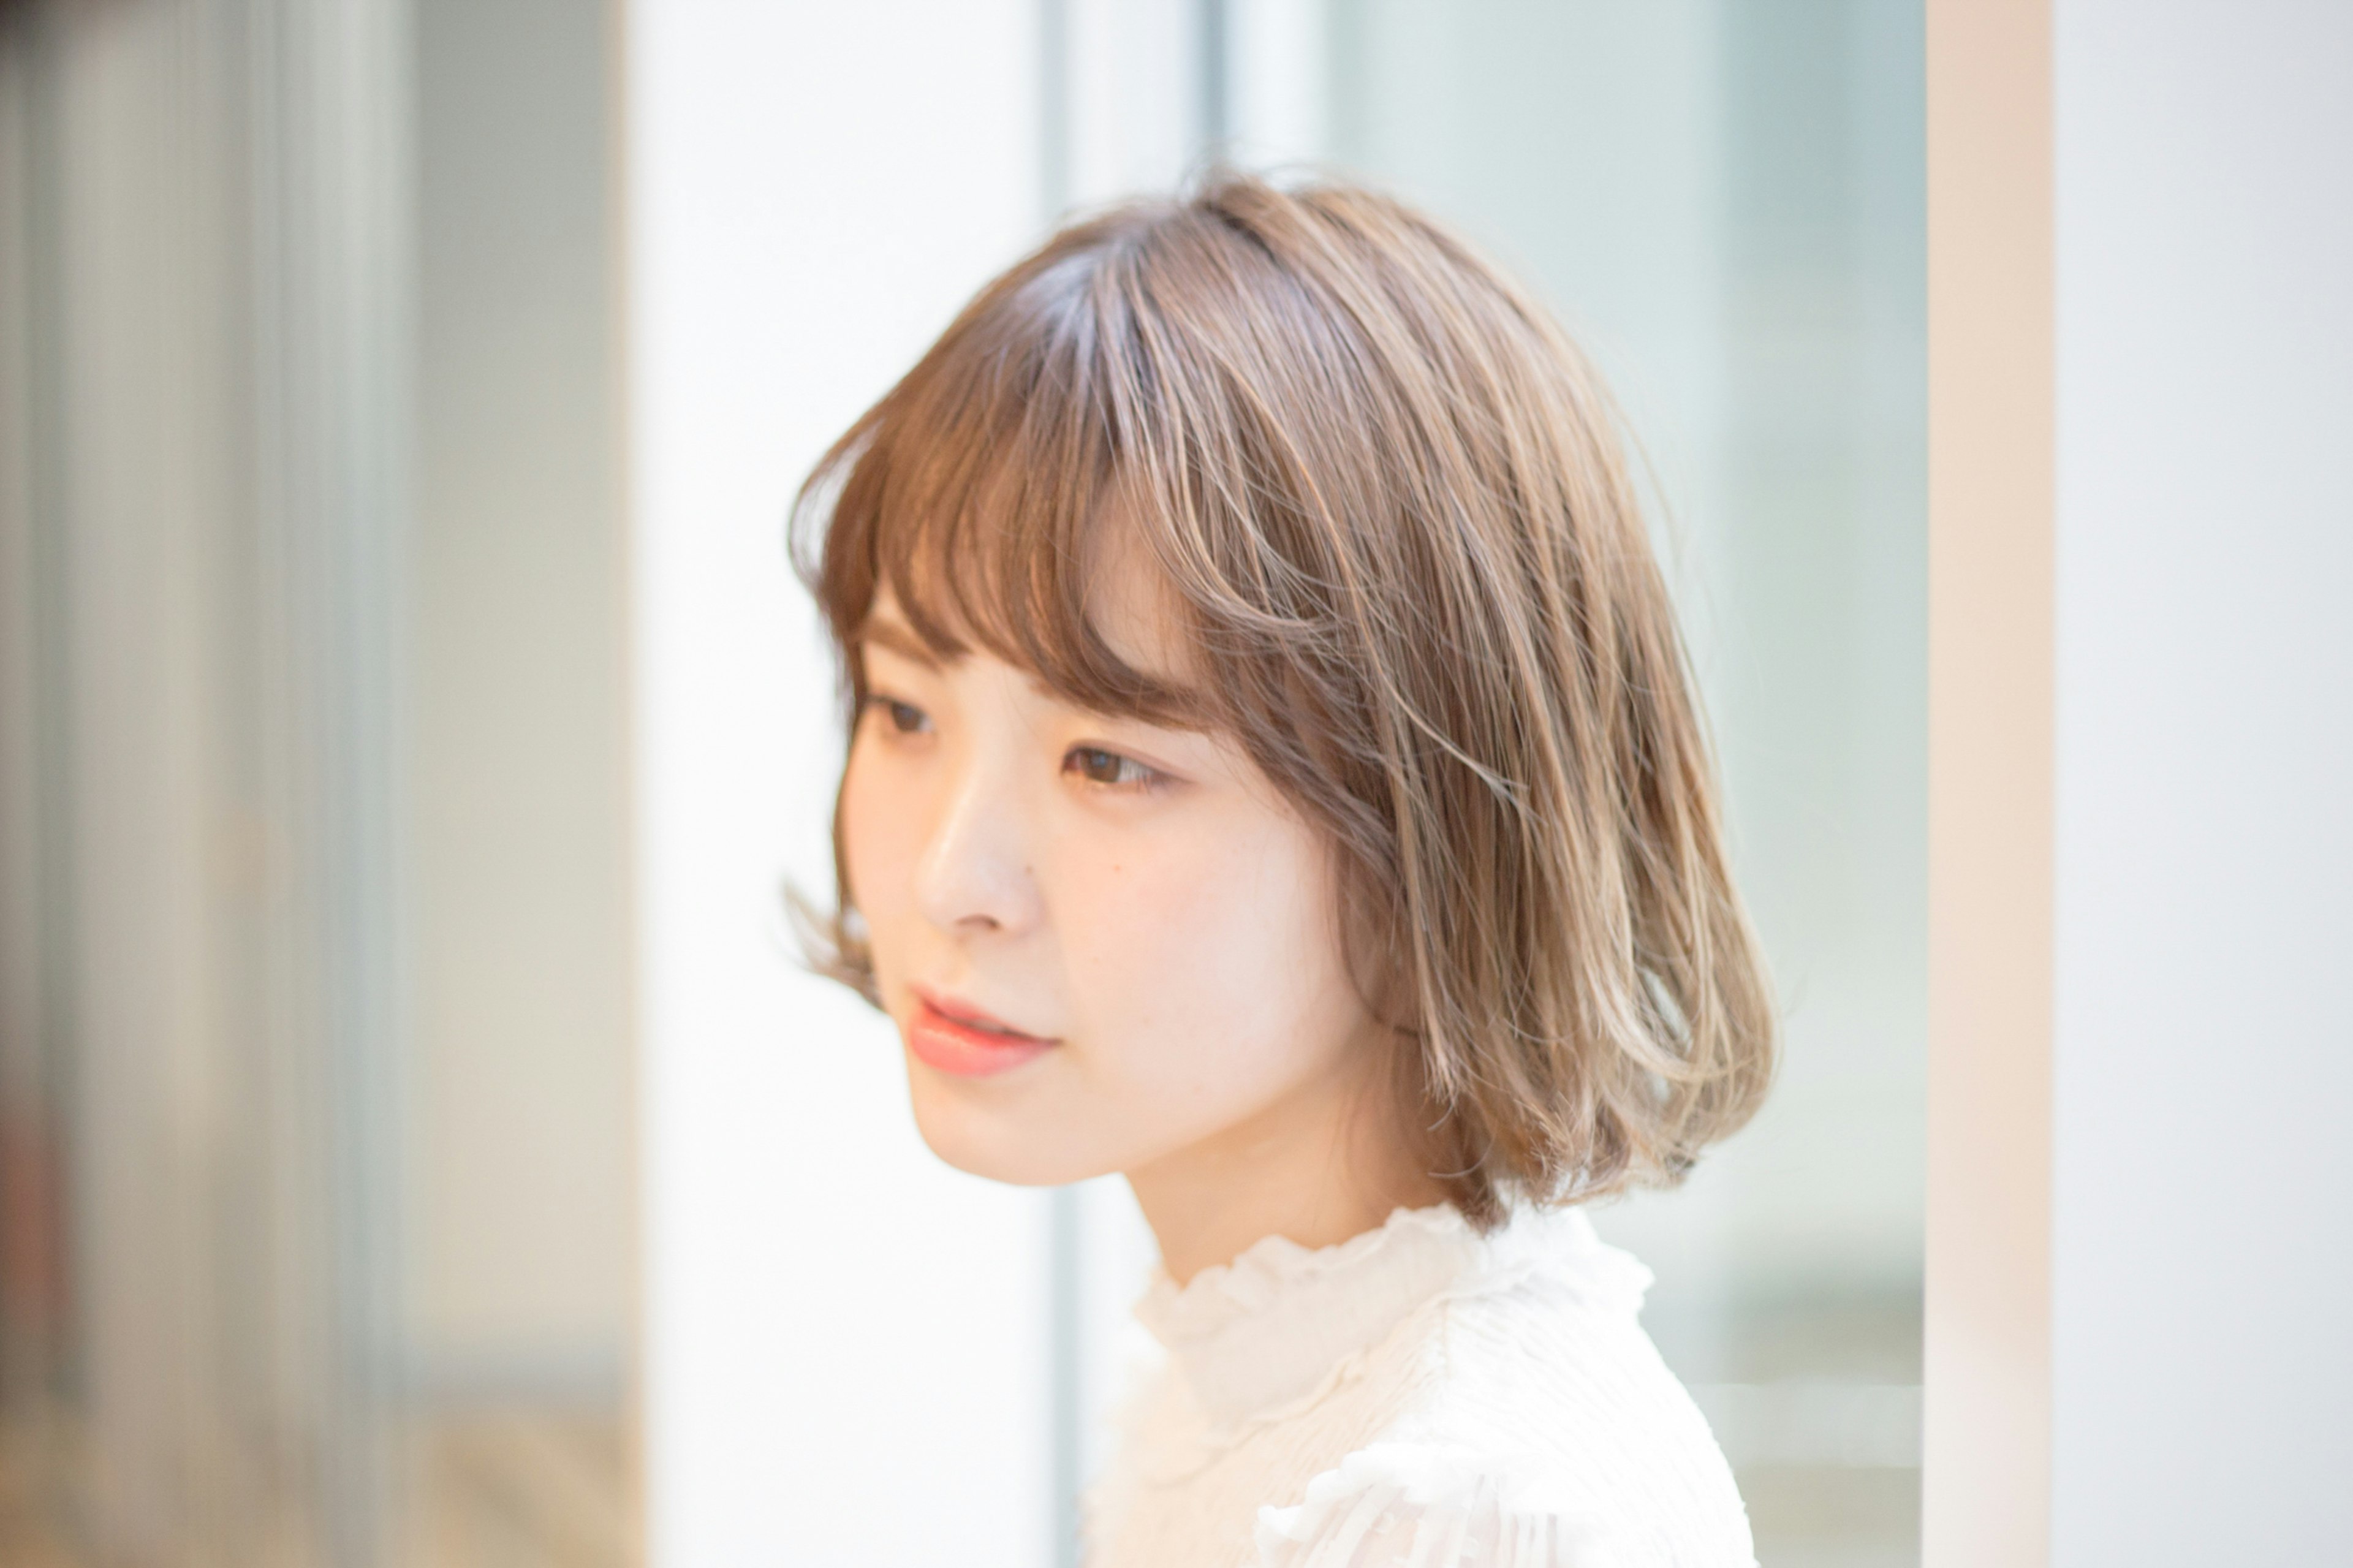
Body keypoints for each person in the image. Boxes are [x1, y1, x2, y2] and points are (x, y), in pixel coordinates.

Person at [791, 173, 1775, 1568]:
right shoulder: (1230, 1395)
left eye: (1110, 763)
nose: (953, 877)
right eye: (902, 709)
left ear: (1433, 819)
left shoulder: (1475, 1510)